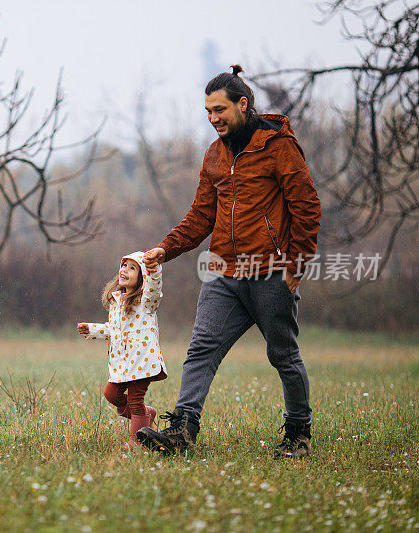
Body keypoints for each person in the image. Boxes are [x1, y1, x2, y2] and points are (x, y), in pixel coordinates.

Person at [137, 65, 321, 459]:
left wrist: (296, 266)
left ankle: (298, 435)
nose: (213, 118)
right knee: (201, 348)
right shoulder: (215, 155)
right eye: (207, 111)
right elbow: (202, 215)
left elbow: (306, 207)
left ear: (243, 104)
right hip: (223, 272)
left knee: (283, 356)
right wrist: (165, 249)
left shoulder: (278, 146)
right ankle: (183, 431)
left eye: (219, 109)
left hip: (271, 272)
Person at [77, 252, 167, 450]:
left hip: (142, 361)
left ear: (142, 276)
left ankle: (136, 443)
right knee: (111, 393)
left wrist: (155, 272)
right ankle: (145, 416)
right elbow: (113, 329)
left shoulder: (146, 302)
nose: (125, 269)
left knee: (135, 400)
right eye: (124, 265)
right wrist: (92, 330)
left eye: (132, 268)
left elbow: (154, 290)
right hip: (123, 363)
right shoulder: (116, 300)